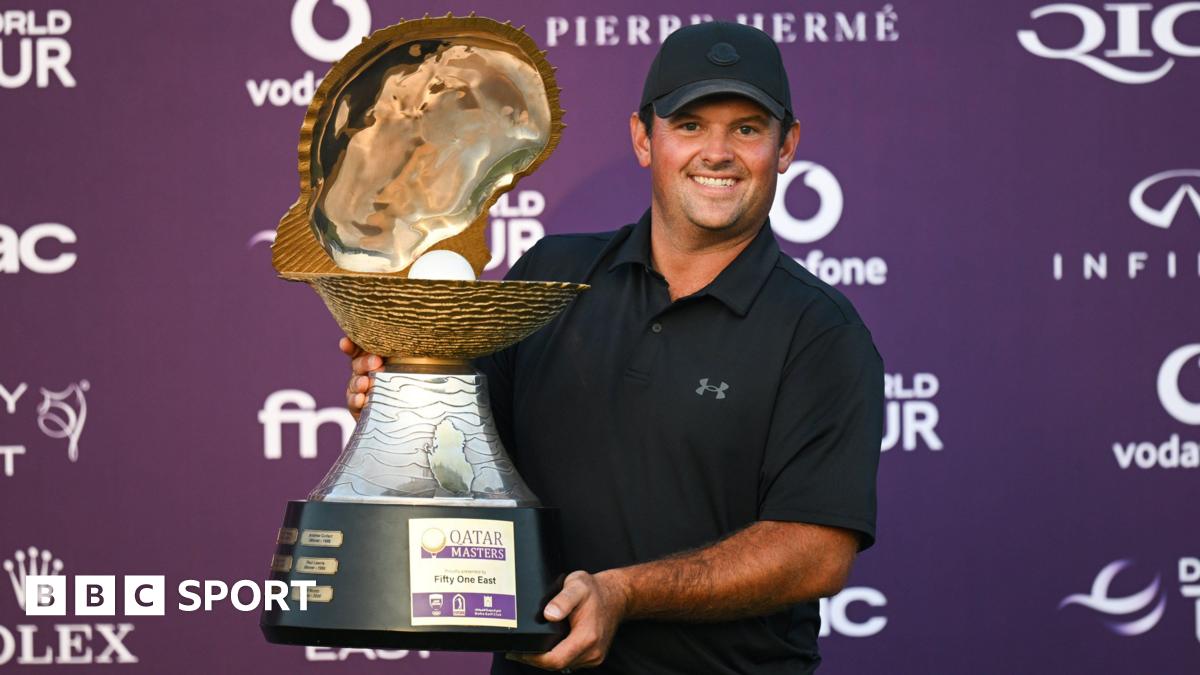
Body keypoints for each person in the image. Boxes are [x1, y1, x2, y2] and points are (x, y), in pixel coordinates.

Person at [341, 21, 883, 674]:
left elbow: (816, 548)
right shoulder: (549, 275)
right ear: (643, 138)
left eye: (746, 128)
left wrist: (621, 591)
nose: (718, 151)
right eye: (688, 124)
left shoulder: (821, 331)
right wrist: (407, 397)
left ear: (786, 145)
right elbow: (464, 463)